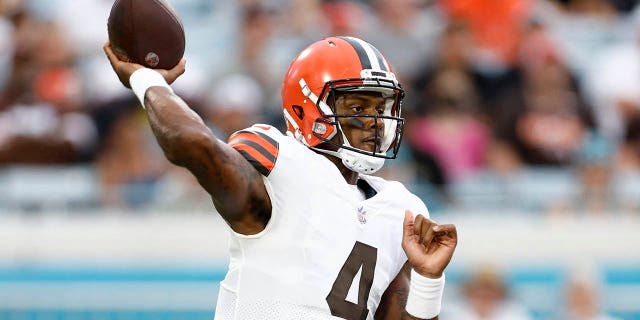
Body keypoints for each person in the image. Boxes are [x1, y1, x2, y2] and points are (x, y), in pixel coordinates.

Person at [103, 35, 458, 319]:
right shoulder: (280, 164)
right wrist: (145, 78)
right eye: (357, 107)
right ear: (306, 109)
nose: (374, 122)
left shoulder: (401, 208)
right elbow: (189, 143)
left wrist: (429, 280)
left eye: (380, 108)